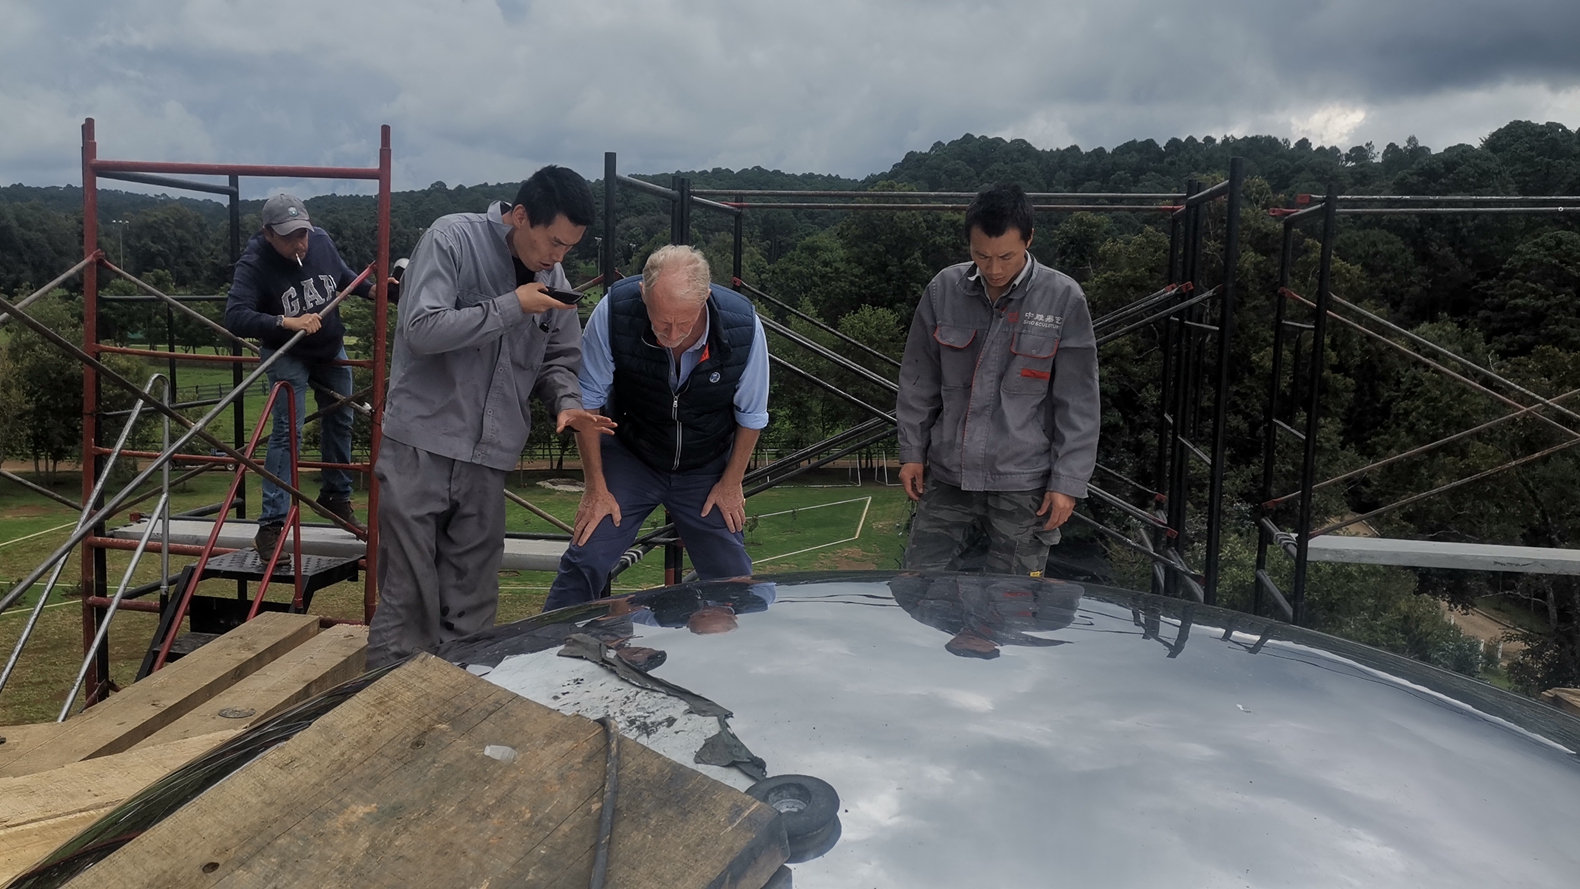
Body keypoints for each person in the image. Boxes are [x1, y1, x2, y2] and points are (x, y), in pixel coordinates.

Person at [367, 166, 613, 669]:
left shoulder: (555, 279)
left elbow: (559, 359)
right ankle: (384, 719)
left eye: (568, 247)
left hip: (488, 459)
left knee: (473, 607)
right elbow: (421, 329)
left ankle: (456, 719)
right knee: (407, 601)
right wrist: (510, 306)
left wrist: (568, 404)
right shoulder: (451, 239)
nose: (557, 257)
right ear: (520, 216)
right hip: (421, 446)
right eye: (552, 242)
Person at [541, 245, 770, 612]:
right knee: (587, 556)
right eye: (661, 322)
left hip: (705, 464)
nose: (672, 333)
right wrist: (596, 487)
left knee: (733, 578)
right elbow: (589, 401)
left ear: (705, 298)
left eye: (685, 322)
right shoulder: (614, 311)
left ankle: (731, 660)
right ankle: (546, 650)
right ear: (644, 295)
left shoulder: (744, 324)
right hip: (634, 454)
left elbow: (752, 414)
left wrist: (730, 484)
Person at [896, 183, 1100, 576]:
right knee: (919, 584)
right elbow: (918, 380)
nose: (994, 269)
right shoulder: (943, 291)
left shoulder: (1064, 299)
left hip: (1023, 480)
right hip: (948, 471)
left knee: (1013, 598)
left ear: (1029, 239)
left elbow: (1079, 401)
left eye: (1006, 256)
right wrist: (911, 452)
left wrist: (1068, 481)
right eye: (981, 255)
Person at [224, 193, 372, 558]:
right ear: (268, 234)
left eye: (303, 232)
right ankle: (271, 525)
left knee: (342, 418)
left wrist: (378, 290)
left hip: (328, 348)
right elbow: (235, 315)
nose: (300, 242)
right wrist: (285, 322)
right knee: (288, 430)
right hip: (286, 351)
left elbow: (344, 277)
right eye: (290, 236)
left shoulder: (320, 241)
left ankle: (336, 496)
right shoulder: (254, 264)